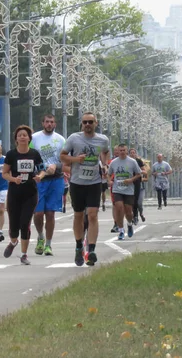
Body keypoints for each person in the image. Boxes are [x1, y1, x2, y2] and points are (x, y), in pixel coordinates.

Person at [60, 112, 110, 267]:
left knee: (93, 215)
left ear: (96, 123)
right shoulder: (74, 138)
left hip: (94, 182)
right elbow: (62, 156)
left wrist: (105, 164)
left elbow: (105, 152)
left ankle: (92, 249)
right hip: (77, 182)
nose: (87, 124)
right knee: (79, 215)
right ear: (81, 124)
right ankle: (78, 245)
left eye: (90, 122)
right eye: (84, 122)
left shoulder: (102, 139)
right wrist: (76, 159)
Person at [2, 125, 46, 265]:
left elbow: (42, 170)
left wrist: (40, 176)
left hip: (30, 193)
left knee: (24, 223)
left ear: (29, 138)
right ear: (16, 138)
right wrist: (14, 179)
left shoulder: (34, 154)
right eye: (19, 135)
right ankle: (13, 242)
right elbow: (4, 173)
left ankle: (24, 254)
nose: (22, 137)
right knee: (14, 226)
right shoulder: (11, 155)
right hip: (15, 193)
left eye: (25, 135)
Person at [30, 114, 68, 257]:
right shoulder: (34, 138)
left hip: (55, 179)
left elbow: (65, 161)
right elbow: (29, 156)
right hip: (39, 180)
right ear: (43, 123)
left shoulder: (61, 140)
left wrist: (56, 166)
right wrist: (41, 168)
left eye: (52, 122)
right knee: (38, 213)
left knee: (50, 213)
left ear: (55, 124)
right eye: (47, 122)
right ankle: (40, 236)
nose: (49, 124)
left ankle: (48, 245)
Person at [109, 144, 142, 240]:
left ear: (126, 151)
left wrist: (131, 180)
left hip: (128, 190)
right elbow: (109, 174)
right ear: (117, 152)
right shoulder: (114, 162)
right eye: (120, 150)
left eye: (124, 150)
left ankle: (129, 224)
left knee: (128, 211)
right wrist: (109, 181)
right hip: (117, 189)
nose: (122, 152)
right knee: (119, 208)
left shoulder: (132, 162)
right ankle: (121, 230)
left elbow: (139, 174)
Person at [129, 148, 147, 223]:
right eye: (131, 153)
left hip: (137, 182)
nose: (132, 154)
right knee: (131, 201)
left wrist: (139, 171)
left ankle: (138, 215)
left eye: (134, 153)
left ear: (136, 154)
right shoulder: (127, 161)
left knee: (137, 201)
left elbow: (144, 171)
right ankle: (134, 216)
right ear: (129, 154)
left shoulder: (138, 161)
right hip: (130, 183)